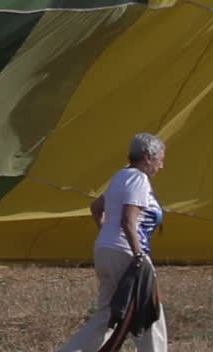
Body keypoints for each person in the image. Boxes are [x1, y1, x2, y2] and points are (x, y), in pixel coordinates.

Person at [56, 133, 168, 352]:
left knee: (107, 315)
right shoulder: (138, 179)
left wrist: (108, 234)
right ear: (147, 157)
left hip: (105, 250)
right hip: (127, 254)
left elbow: (96, 208)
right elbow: (128, 221)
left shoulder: (121, 176)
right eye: (160, 159)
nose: (161, 166)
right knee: (149, 313)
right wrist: (138, 256)